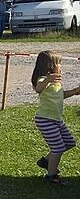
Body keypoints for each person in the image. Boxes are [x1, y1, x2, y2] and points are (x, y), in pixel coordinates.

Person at [31, 51, 80, 184]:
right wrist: (48, 79)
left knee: (70, 143)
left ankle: (46, 161)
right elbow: (38, 89)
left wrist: (75, 91)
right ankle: (51, 176)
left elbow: (61, 95)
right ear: (49, 65)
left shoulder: (56, 83)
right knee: (57, 148)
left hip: (56, 119)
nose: (60, 66)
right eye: (58, 63)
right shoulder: (43, 79)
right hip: (45, 120)